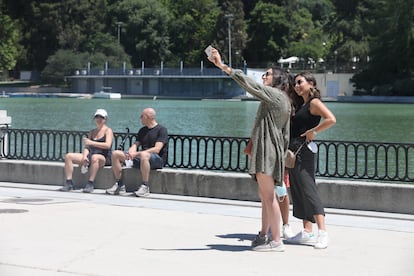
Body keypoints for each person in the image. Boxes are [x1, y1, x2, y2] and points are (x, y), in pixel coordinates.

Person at [209, 47, 291, 252]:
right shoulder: (283, 100)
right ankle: (265, 235)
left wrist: (222, 66)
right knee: (266, 196)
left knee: (268, 196)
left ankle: (276, 241)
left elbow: (248, 83)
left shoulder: (274, 96)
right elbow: (286, 135)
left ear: (277, 80)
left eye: (268, 75)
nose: (264, 77)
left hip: (267, 152)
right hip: (271, 152)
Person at [285, 71, 336, 249]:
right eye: (295, 83)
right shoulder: (301, 104)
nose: (297, 86)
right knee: (298, 190)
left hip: (304, 151)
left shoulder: (314, 103)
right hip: (293, 151)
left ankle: (323, 232)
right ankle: (307, 231)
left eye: (300, 82)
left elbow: (331, 119)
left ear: (311, 84)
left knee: (308, 189)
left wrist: (314, 132)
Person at [106, 107, 168, 197]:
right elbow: (136, 144)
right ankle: (119, 184)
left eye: (142, 116)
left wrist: (137, 154)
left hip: (157, 160)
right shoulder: (142, 130)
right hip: (142, 158)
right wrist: (131, 151)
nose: (140, 118)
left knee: (144, 154)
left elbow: (157, 149)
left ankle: (145, 186)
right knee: (115, 154)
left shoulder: (161, 130)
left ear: (148, 117)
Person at [60, 109, 113, 193]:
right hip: (91, 155)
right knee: (68, 156)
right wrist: (84, 157)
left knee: (95, 157)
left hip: (103, 157)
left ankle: (90, 183)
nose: (98, 119)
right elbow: (87, 147)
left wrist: (92, 142)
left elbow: (107, 145)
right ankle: (69, 183)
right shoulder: (92, 132)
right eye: (97, 117)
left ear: (105, 119)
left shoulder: (108, 131)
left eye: (101, 117)